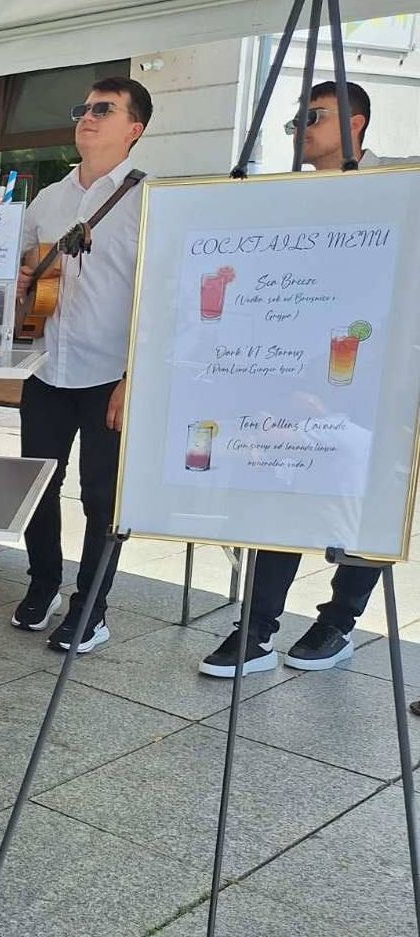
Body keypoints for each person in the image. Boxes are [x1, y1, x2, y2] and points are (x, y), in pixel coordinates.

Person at [201, 80, 416, 677]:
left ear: (356, 121)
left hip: (377, 377)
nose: (300, 130)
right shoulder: (290, 195)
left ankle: (339, 622)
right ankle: (256, 629)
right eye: (294, 121)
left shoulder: (400, 181)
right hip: (294, 367)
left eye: (312, 117)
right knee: (281, 484)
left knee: (365, 501)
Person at [9, 77, 153, 653]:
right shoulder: (49, 198)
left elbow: (162, 298)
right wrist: (23, 279)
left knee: (101, 497)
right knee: (38, 485)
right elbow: (19, 273)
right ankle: (43, 582)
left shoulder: (151, 200)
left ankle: (91, 607)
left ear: (134, 129)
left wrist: (134, 378)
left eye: (104, 110)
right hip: (48, 366)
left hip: (109, 374)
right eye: (84, 109)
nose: (87, 117)